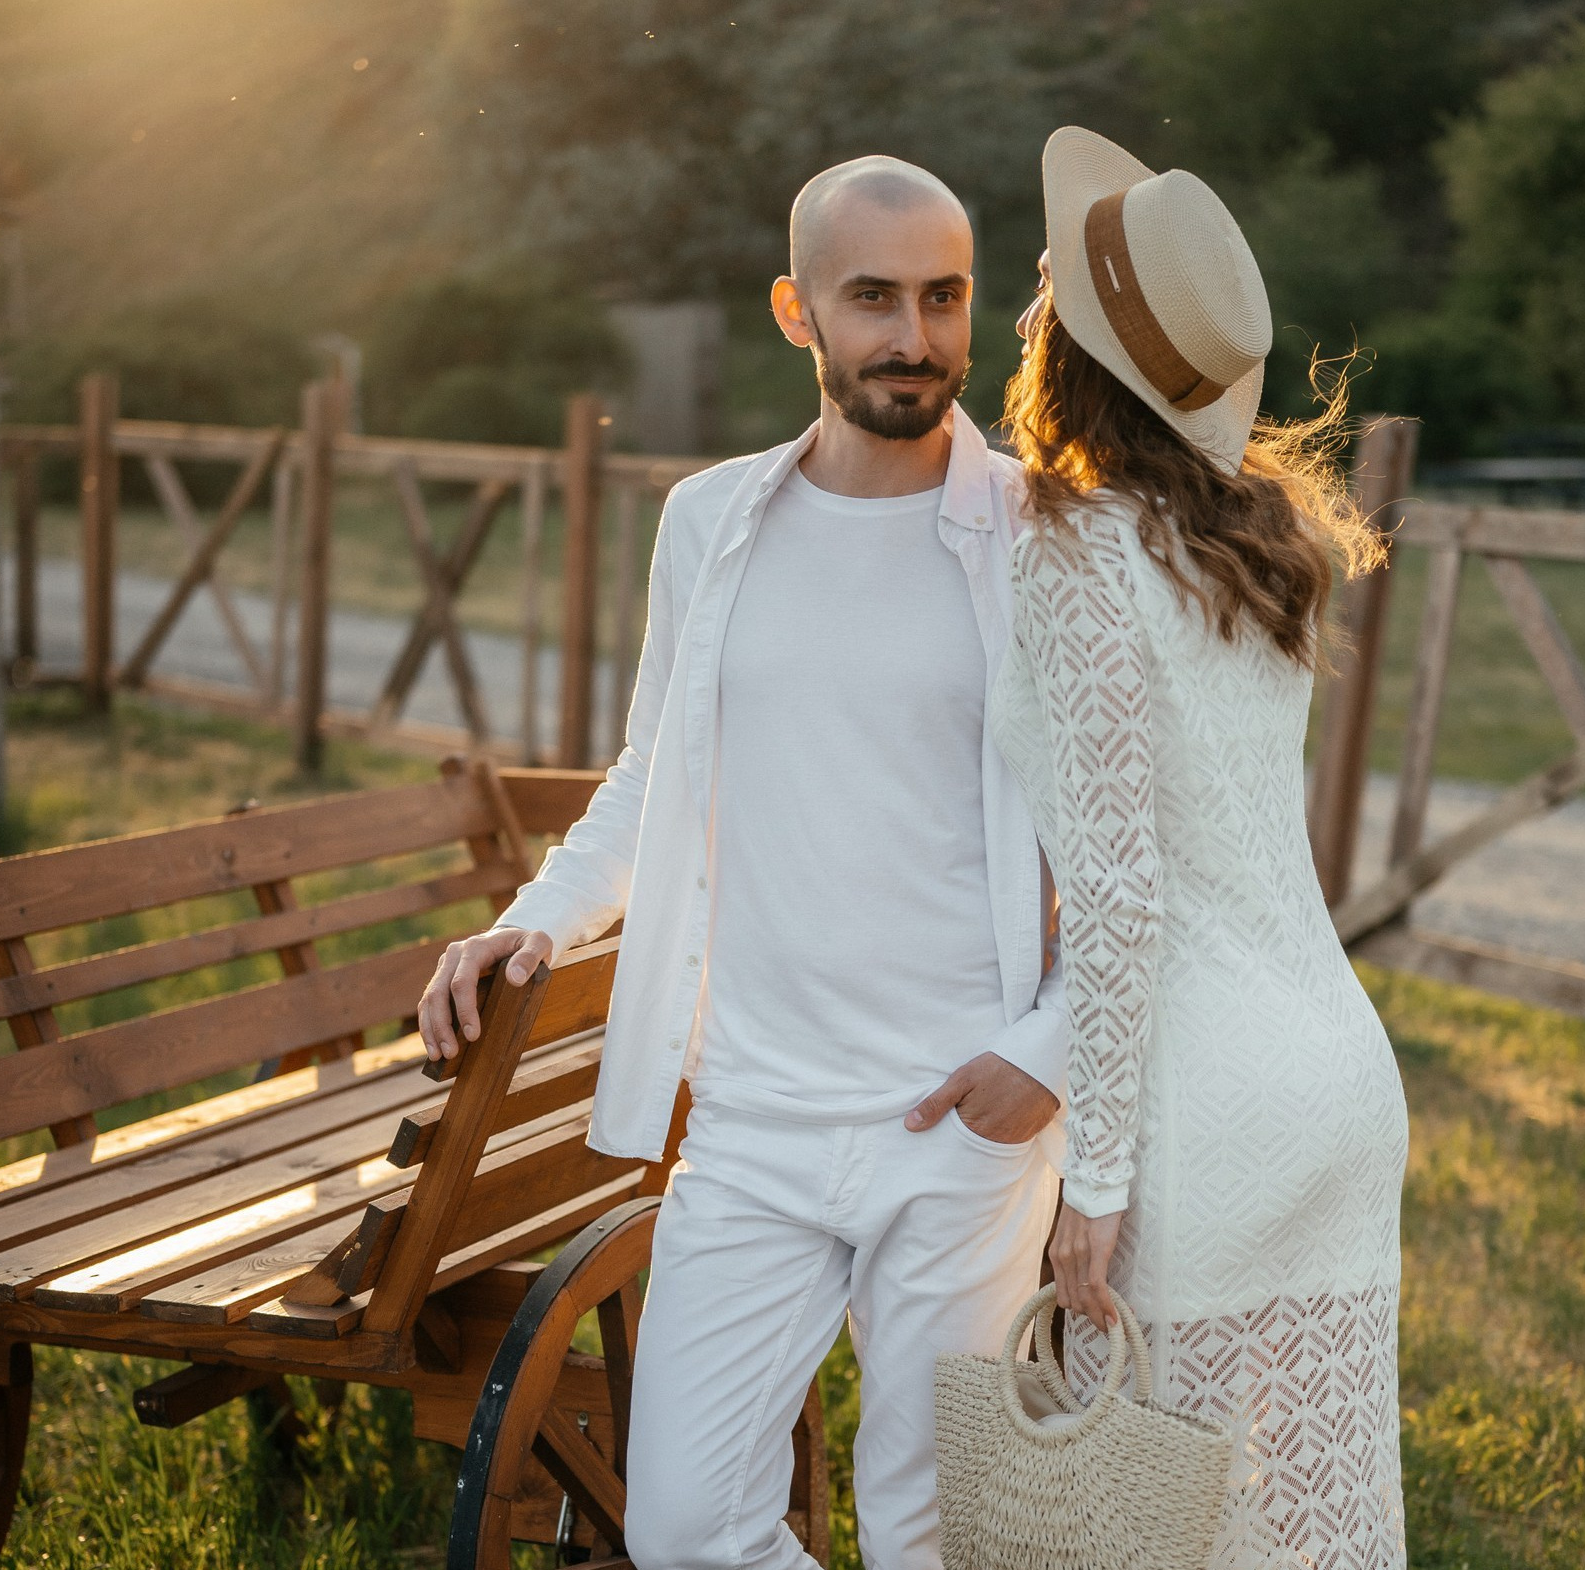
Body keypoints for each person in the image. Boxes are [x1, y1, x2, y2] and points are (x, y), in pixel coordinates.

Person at [417, 155, 1063, 1569]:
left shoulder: (1043, 536)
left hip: (964, 1121)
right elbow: (654, 773)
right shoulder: (710, 521)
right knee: (690, 1529)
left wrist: (1049, 1058)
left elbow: (1127, 842)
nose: (914, 337)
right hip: (754, 1119)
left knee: (932, 1535)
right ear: (795, 310)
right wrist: (538, 919)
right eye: (873, 297)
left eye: (944, 297)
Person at [992, 126, 1410, 1569]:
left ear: (1071, 345)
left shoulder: (1075, 553)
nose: (1027, 303)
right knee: (1306, 1523)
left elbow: (1119, 898)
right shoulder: (1249, 533)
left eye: (1048, 287)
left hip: (1203, 1107)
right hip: (1338, 1078)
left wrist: (1095, 1183)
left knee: (1150, 1530)